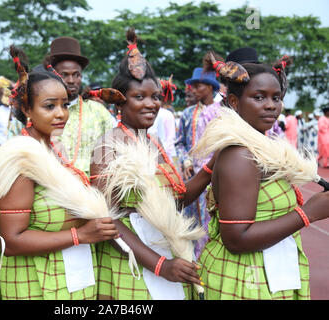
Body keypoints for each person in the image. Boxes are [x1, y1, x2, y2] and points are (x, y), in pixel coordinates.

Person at [191, 53, 329, 300]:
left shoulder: (262, 146)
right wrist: (307, 214)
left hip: (269, 274)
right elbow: (236, 239)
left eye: (276, 98)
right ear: (234, 102)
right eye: (259, 97)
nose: (270, 105)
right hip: (246, 282)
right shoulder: (241, 155)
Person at [89, 29, 215, 300]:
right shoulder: (107, 147)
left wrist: (211, 166)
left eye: (155, 97)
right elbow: (107, 220)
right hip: (129, 264)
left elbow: (177, 201)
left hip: (168, 253)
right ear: (118, 102)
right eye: (140, 97)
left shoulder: (153, 143)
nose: (151, 104)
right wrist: (161, 265)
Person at [0, 46, 119, 300]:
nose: (61, 114)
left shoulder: (53, 149)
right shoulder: (21, 158)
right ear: (27, 110)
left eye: (64, 105)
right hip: (34, 284)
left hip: (69, 278)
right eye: (49, 106)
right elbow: (12, 239)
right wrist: (80, 235)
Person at [46, 37, 115, 175]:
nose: (71, 80)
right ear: (52, 75)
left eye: (76, 75)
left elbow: (114, 152)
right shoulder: (40, 113)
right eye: (64, 75)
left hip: (92, 191)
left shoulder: (99, 112)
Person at [176, 66, 221, 257]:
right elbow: (179, 143)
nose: (193, 89)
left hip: (218, 177)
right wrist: (186, 161)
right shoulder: (187, 114)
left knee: (213, 222)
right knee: (190, 224)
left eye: (198, 85)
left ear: (210, 87)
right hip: (193, 178)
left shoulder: (223, 112)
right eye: (192, 85)